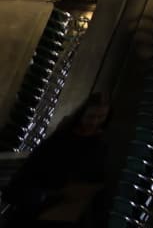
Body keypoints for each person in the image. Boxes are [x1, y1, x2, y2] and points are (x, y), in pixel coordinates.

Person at [1, 94, 111, 228]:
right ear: (82, 114)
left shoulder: (100, 145)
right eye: (91, 116)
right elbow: (33, 169)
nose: (94, 122)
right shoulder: (62, 138)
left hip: (66, 210)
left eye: (101, 117)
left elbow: (97, 179)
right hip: (39, 203)